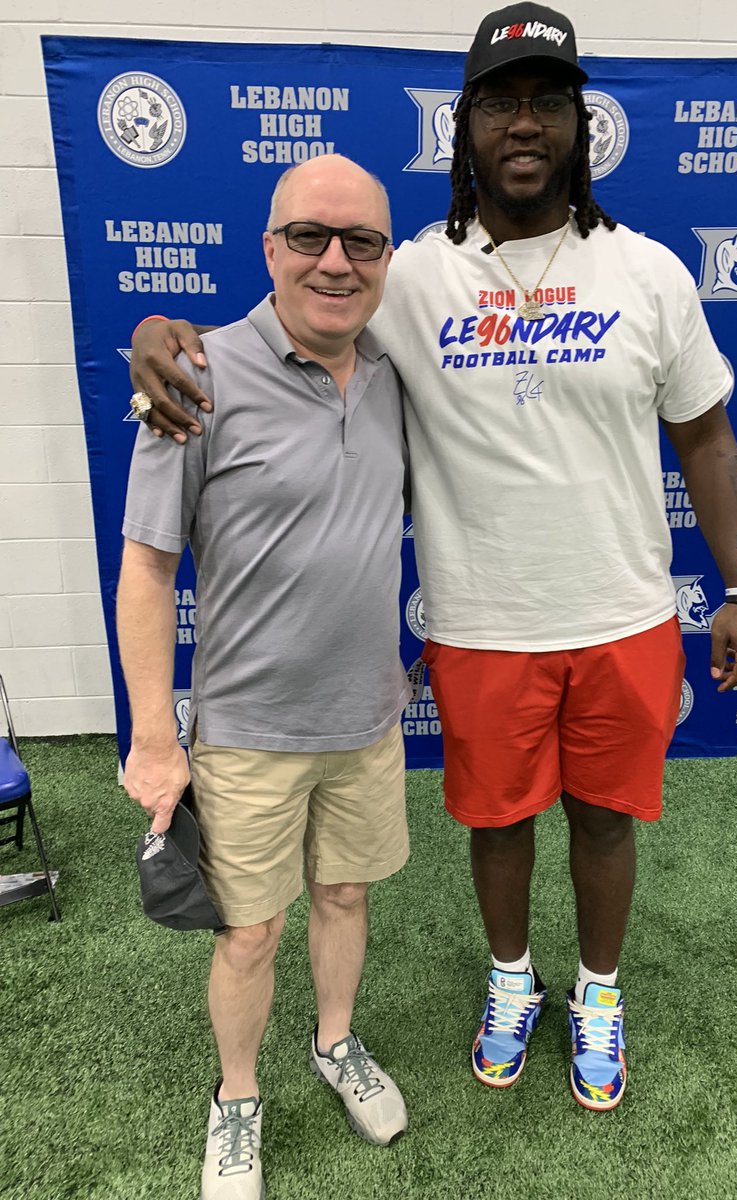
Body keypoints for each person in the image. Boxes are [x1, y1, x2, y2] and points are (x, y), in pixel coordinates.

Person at [128, 2, 737, 1114]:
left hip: (620, 611)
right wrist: (163, 336)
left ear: (581, 124)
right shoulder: (414, 274)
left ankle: (600, 994)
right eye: (501, 103)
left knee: (606, 820)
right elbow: (299, 315)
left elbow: (707, 435)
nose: (526, 124)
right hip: (478, 622)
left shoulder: (650, 271)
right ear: (465, 130)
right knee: (499, 823)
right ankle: (513, 982)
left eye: (548, 102)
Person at [119, 155, 411, 1200]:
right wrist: (155, 736)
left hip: (367, 723)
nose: (335, 262)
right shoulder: (195, 374)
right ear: (268, 249)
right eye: (308, 238)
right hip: (244, 734)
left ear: (387, 259)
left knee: (344, 893)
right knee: (251, 934)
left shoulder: (396, 371)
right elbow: (149, 567)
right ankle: (236, 1097)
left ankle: (335, 1043)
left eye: (361, 243)